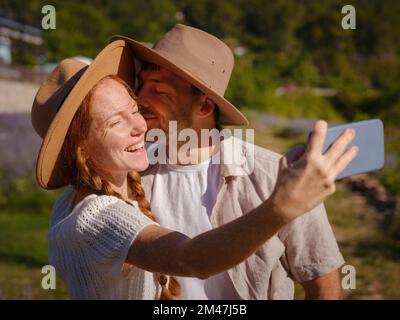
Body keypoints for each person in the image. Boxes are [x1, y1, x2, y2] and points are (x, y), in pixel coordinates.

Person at [32, 39, 356, 300]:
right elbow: (190, 259)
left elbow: (322, 281)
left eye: (158, 91)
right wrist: (283, 207)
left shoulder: (276, 175)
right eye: (141, 85)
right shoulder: (123, 182)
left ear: (203, 106)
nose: (141, 103)